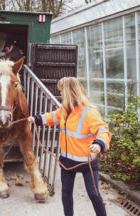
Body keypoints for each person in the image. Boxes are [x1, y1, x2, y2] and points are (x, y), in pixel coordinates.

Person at [28, 77, 111, 216]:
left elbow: (103, 130)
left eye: (61, 92)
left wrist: (99, 144)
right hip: (67, 161)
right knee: (66, 193)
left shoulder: (89, 112)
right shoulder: (64, 110)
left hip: (87, 162)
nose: (60, 94)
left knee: (94, 194)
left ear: (69, 92)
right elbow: (52, 117)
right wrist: (36, 119)